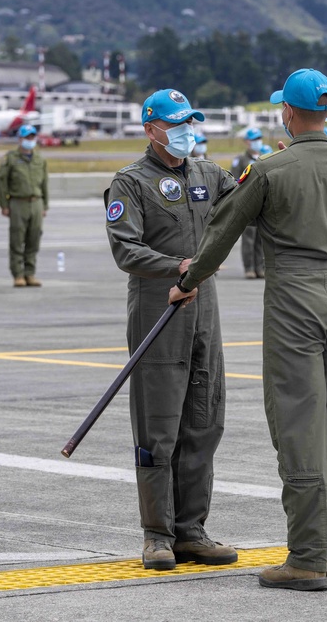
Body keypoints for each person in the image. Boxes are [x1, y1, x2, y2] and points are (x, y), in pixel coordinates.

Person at [169, 68, 327, 591]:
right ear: (326, 111)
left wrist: (188, 280)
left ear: (287, 112)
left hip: (295, 305)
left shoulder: (270, 170)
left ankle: (305, 558)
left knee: (298, 428)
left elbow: (221, 233)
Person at [104, 88, 239, 572]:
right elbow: (126, 251)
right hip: (159, 306)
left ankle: (191, 531)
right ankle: (157, 535)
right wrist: (178, 267)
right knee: (158, 426)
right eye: (176, 124)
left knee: (204, 422)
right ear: (151, 129)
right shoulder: (131, 183)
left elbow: (245, 196)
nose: (186, 131)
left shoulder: (207, 173)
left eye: (190, 122)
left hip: (205, 308)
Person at [0, 124, 48, 287]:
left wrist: (45, 205)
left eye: (32, 137)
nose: (30, 140)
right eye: (27, 137)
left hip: (36, 202)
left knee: (34, 239)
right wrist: (4, 204)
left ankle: (30, 273)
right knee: (17, 239)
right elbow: (2, 182)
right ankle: (18, 274)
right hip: (18, 202)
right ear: (20, 139)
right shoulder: (11, 158)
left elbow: (44, 182)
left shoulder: (40, 159)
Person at [229, 127, 265, 279]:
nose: (257, 142)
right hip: (248, 203)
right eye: (254, 139)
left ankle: (260, 267)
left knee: (261, 239)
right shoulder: (241, 160)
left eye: (259, 138)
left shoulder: (265, 157)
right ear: (247, 142)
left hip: (263, 203)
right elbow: (234, 181)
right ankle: (249, 267)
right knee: (249, 237)